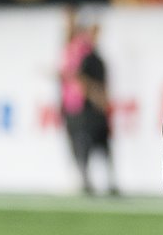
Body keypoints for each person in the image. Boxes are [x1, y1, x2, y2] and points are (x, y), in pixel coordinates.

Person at [60, 10, 117, 196]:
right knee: (83, 144)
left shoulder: (95, 57)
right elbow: (80, 79)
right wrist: (95, 95)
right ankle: (86, 180)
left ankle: (108, 181)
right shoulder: (79, 52)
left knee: (103, 145)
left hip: (92, 109)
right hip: (82, 109)